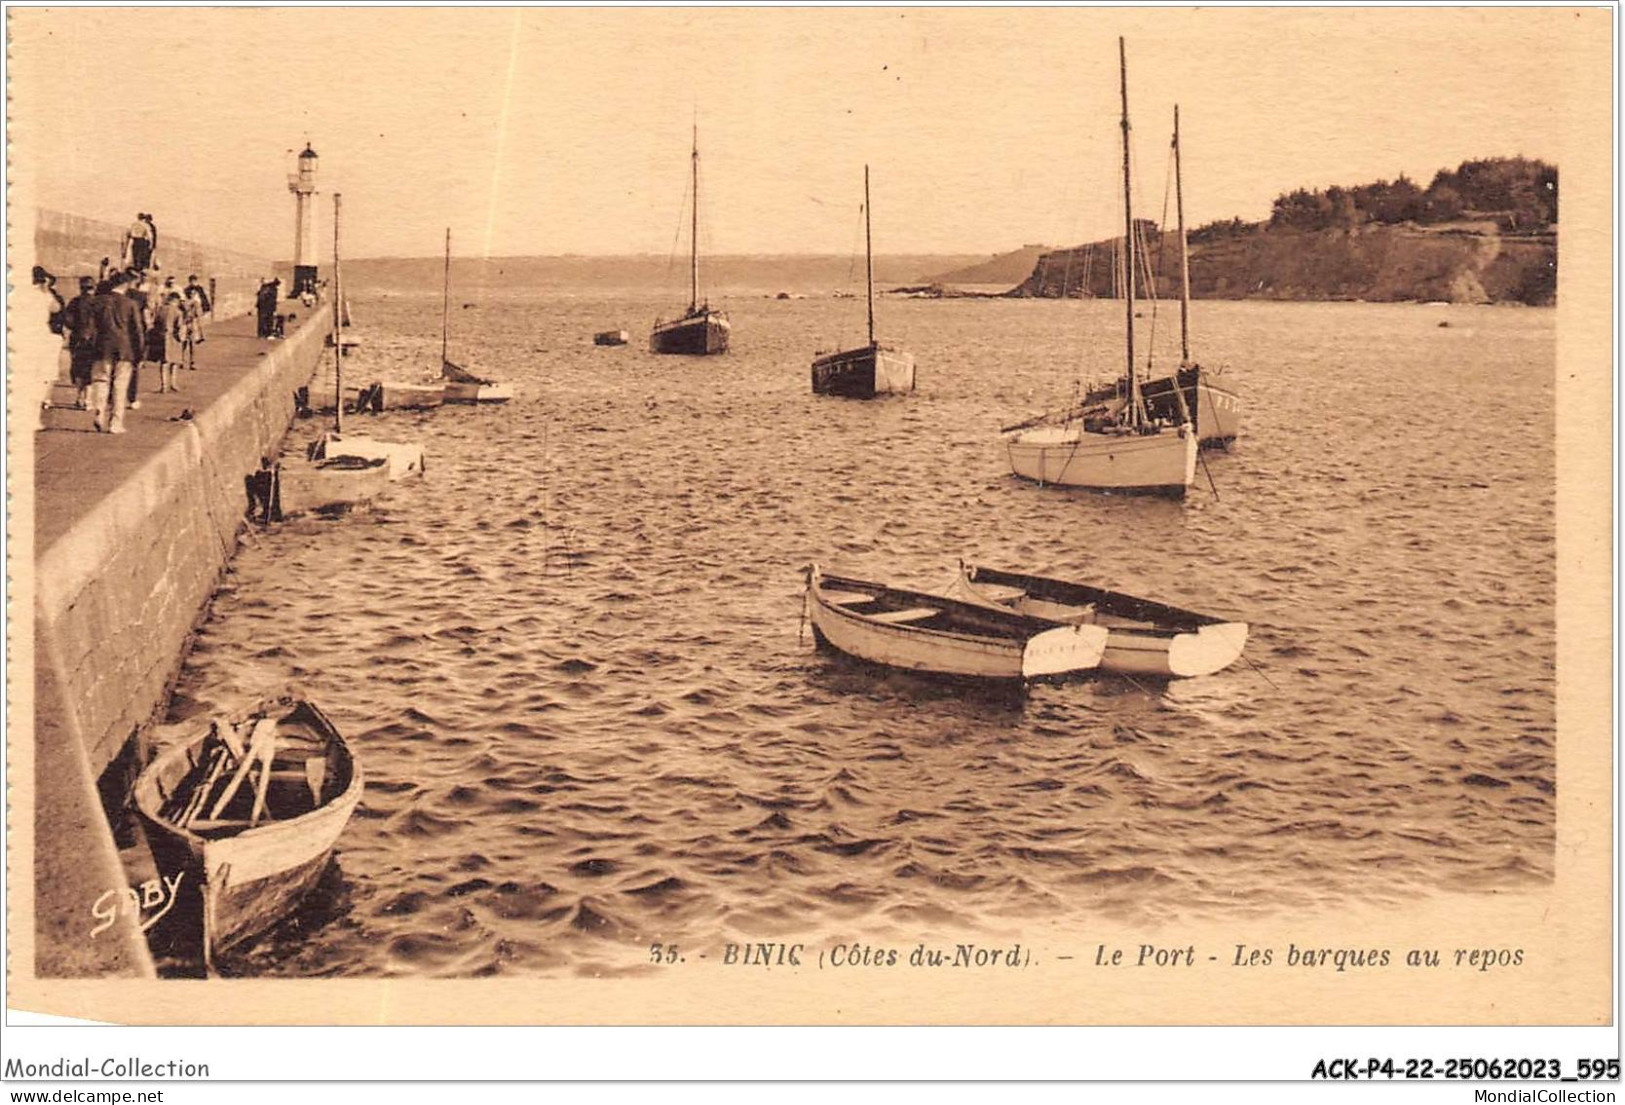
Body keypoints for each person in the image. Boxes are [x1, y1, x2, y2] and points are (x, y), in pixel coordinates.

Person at [83, 274, 145, 434]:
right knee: (120, 386)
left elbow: (89, 329)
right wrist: (139, 354)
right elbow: (137, 331)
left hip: (101, 348)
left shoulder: (97, 302)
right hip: (125, 350)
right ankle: (115, 423)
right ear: (125, 285)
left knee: (101, 381)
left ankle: (99, 412)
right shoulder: (131, 304)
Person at [61, 275, 98, 409]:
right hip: (94, 340)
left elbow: (68, 321)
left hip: (77, 339)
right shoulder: (98, 302)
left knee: (78, 369)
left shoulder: (75, 302)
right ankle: (88, 399)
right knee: (91, 369)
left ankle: (79, 397)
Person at [150, 291, 186, 393]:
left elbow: (155, 323)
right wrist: (182, 337)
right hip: (173, 338)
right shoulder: (178, 312)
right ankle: (173, 383)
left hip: (162, 337)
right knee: (174, 362)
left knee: (164, 362)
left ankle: (164, 385)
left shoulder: (160, 310)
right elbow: (179, 327)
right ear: (176, 300)